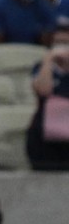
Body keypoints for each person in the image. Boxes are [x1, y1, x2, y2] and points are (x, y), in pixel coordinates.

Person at [26, 26, 69, 170]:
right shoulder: (42, 67)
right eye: (58, 43)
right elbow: (44, 90)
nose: (62, 48)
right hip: (45, 135)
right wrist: (48, 60)